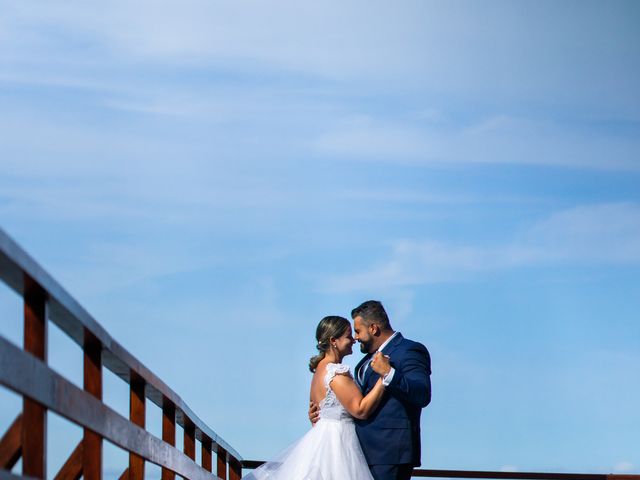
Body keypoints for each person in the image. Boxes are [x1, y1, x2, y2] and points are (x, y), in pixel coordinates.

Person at [245, 315, 388, 480]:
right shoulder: (335, 372)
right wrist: (384, 378)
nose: (353, 340)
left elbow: (318, 412)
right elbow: (360, 409)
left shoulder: (319, 369)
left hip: (321, 439)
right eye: (348, 336)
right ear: (334, 340)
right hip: (338, 443)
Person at [310, 300, 432, 480]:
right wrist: (325, 414)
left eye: (358, 331)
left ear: (373, 328)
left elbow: (422, 394)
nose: (355, 338)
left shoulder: (409, 351)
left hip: (389, 455)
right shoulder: (364, 362)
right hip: (356, 454)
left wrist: (389, 373)